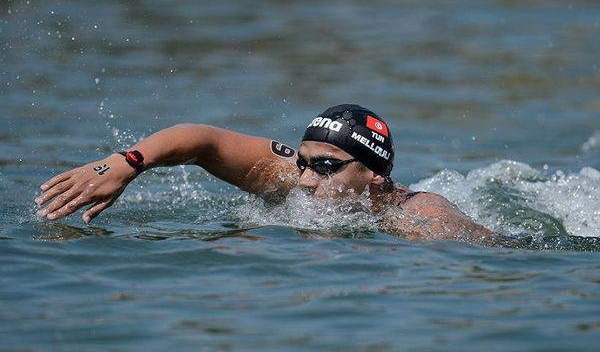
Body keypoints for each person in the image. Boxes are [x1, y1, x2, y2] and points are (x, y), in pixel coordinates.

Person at [35, 104, 496, 243]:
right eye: (303, 162)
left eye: (328, 167)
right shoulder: (288, 175)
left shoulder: (420, 219)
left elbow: (503, 253)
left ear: (376, 177)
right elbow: (201, 138)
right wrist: (125, 163)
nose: (307, 180)